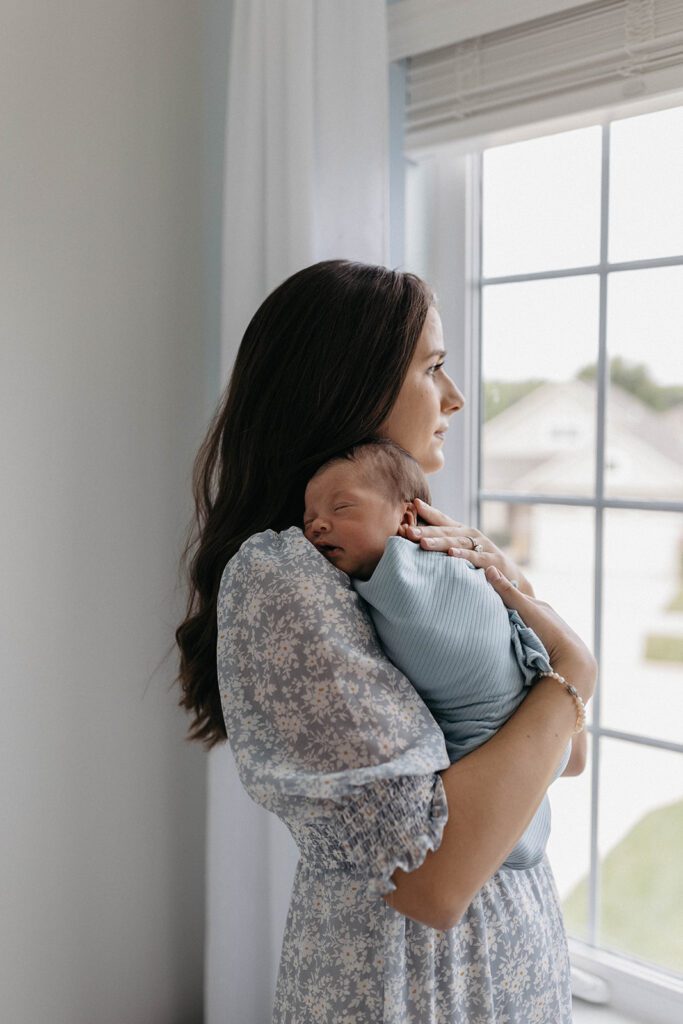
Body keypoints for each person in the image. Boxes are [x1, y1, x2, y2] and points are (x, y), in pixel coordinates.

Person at [175, 259, 596, 1022]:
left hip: (512, 948)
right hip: (410, 983)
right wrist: (573, 669)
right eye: (432, 367)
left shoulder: (417, 548)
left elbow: (560, 755)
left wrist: (536, 642)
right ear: (349, 385)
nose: (455, 397)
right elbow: (432, 881)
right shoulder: (285, 580)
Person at [302, 436, 575, 872]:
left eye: (341, 508)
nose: (315, 526)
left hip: (506, 717)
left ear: (408, 516)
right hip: (512, 727)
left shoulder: (413, 562)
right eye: (309, 517)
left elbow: (576, 755)